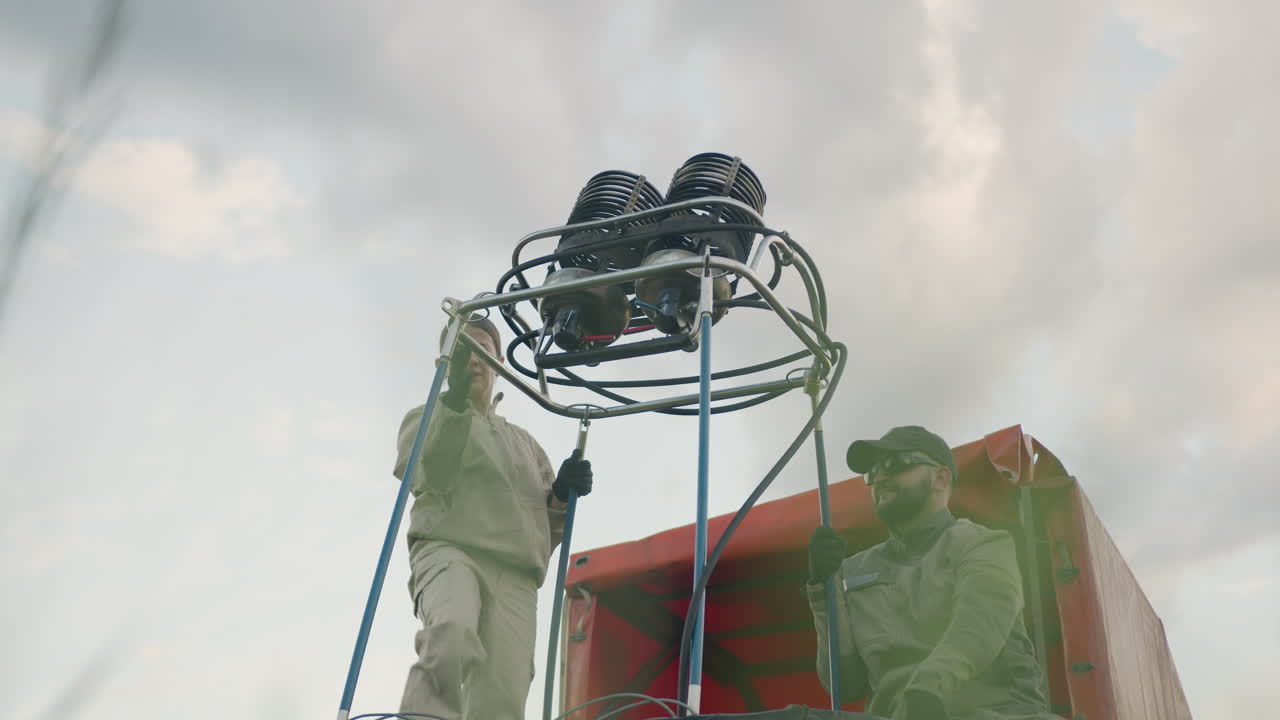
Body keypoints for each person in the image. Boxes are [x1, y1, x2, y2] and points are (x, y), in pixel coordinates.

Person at [393, 316, 593, 720]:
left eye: (484, 350)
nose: (475, 360)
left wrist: (561, 494)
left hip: (516, 573)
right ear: (444, 363)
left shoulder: (526, 446)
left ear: (500, 361)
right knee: (452, 633)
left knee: (505, 690)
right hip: (449, 550)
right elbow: (433, 469)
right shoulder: (426, 417)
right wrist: (453, 403)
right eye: (464, 351)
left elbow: (548, 529)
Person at [805, 425, 1057, 720]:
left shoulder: (984, 545)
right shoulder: (852, 570)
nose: (881, 477)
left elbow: (978, 627)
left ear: (940, 478)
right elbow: (845, 685)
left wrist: (926, 690)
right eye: (872, 473)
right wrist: (823, 590)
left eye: (895, 464)